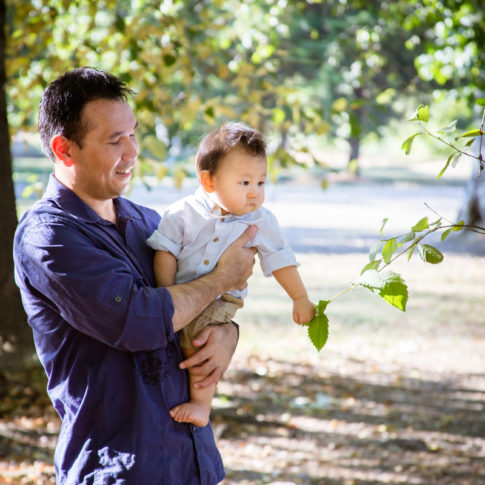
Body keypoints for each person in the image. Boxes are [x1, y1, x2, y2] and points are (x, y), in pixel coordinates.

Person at [13, 67, 257, 485]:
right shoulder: (48, 237)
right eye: (114, 140)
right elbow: (139, 322)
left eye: (133, 134)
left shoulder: (149, 222)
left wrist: (227, 334)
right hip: (117, 469)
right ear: (64, 149)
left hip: (192, 461)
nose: (131, 152)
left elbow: (196, 304)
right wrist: (222, 277)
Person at [147, 121, 316, 428]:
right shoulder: (181, 213)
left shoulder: (262, 221)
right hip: (182, 293)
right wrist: (167, 294)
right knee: (179, 341)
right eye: (245, 183)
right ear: (209, 182)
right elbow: (165, 252)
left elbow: (281, 260)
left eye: (261, 183)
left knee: (201, 344)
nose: (255, 194)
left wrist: (300, 298)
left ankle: (201, 404)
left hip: (222, 299)